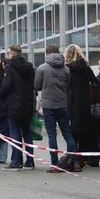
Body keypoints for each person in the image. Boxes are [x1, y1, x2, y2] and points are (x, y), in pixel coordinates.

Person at [35, 44, 79, 172]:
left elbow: (37, 86)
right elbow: (68, 85)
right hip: (62, 104)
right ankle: (75, 162)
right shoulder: (66, 69)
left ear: (46, 53)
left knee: (52, 134)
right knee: (67, 133)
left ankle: (55, 165)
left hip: (48, 105)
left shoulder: (41, 68)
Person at [0, 45, 36, 170]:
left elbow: (7, 86)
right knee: (27, 133)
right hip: (27, 104)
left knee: (15, 133)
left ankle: (16, 161)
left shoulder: (10, 67)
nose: (8, 55)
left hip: (13, 104)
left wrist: (0, 95)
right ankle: (29, 161)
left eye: (9, 53)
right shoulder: (29, 67)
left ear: (13, 54)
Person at [64, 44, 99, 167]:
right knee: (84, 131)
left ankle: (73, 158)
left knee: (71, 131)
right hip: (84, 101)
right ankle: (83, 158)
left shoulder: (66, 68)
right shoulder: (86, 68)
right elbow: (95, 83)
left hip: (70, 100)